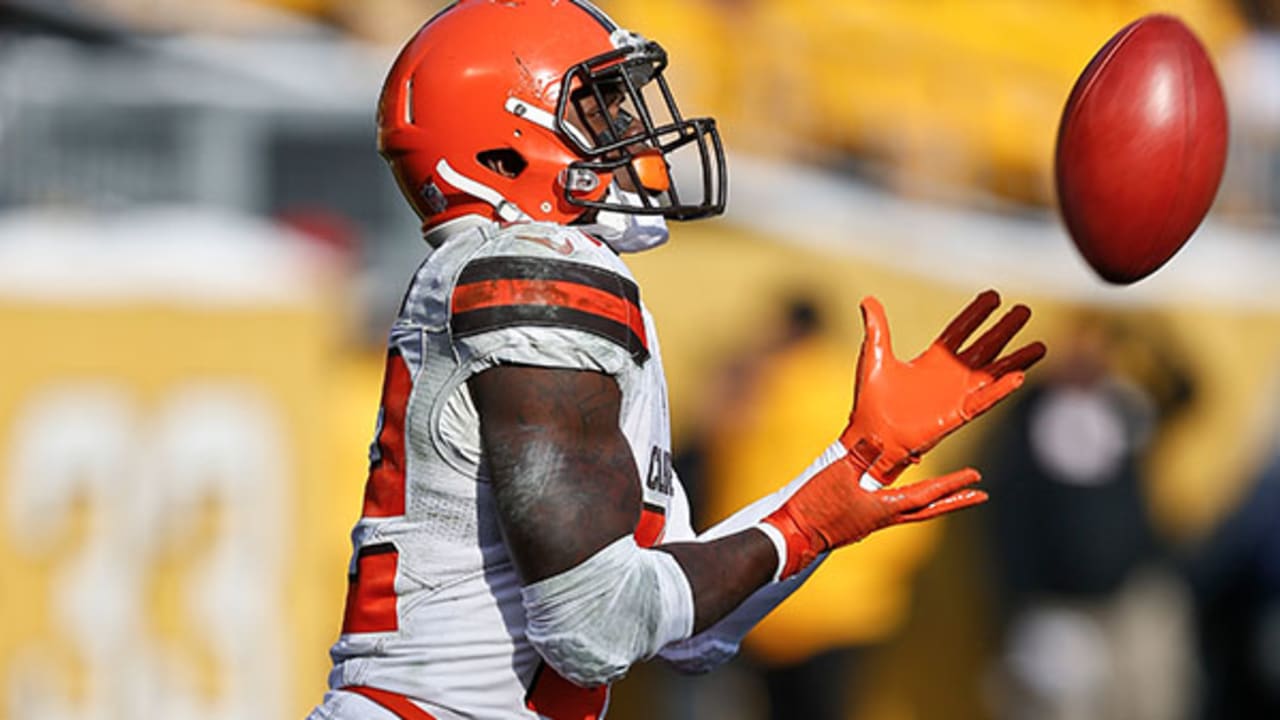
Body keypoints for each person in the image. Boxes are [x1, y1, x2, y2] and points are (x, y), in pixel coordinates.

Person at [307, 2, 1045, 719]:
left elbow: (684, 623)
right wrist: (804, 526)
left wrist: (859, 461)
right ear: (503, 146)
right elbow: (596, 625)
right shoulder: (536, 269)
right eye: (599, 107)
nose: (636, 129)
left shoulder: (538, 272)